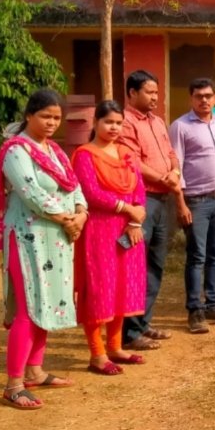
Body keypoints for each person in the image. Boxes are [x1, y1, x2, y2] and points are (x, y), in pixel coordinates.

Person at [0, 88, 87, 410]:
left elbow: (75, 186)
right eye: (45, 116)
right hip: (28, 237)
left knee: (48, 304)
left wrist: (81, 214)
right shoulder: (15, 151)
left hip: (57, 238)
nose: (52, 123)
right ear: (29, 115)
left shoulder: (55, 150)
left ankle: (34, 370)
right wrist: (67, 220)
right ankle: (14, 385)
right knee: (29, 308)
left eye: (57, 118)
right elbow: (31, 193)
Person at [72, 100, 149, 375]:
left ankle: (115, 347)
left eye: (118, 123)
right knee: (99, 287)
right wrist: (126, 208)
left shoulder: (126, 153)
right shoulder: (85, 155)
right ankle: (97, 354)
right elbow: (90, 193)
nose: (114, 128)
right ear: (96, 122)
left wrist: (135, 219)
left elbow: (139, 189)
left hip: (129, 229)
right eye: (108, 122)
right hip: (99, 229)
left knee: (121, 286)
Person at [170, 78, 215, 333]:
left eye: (208, 96)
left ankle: (213, 304)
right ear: (191, 98)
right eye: (199, 96)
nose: (204, 100)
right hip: (196, 201)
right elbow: (176, 166)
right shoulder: (180, 127)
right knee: (197, 256)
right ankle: (195, 310)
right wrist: (180, 203)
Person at [119, 69, 180, 351]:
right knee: (136, 266)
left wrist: (175, 172)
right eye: (149, 92)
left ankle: (143, 323)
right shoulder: (125, 122)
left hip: (162, 199)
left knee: (156, 264)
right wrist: (162, 178)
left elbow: (170, 154)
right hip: (142, 200)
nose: (155, 97)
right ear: (132, 93)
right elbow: (132, 161)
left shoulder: (157, 122)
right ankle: (129, 332)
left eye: (156, 92)